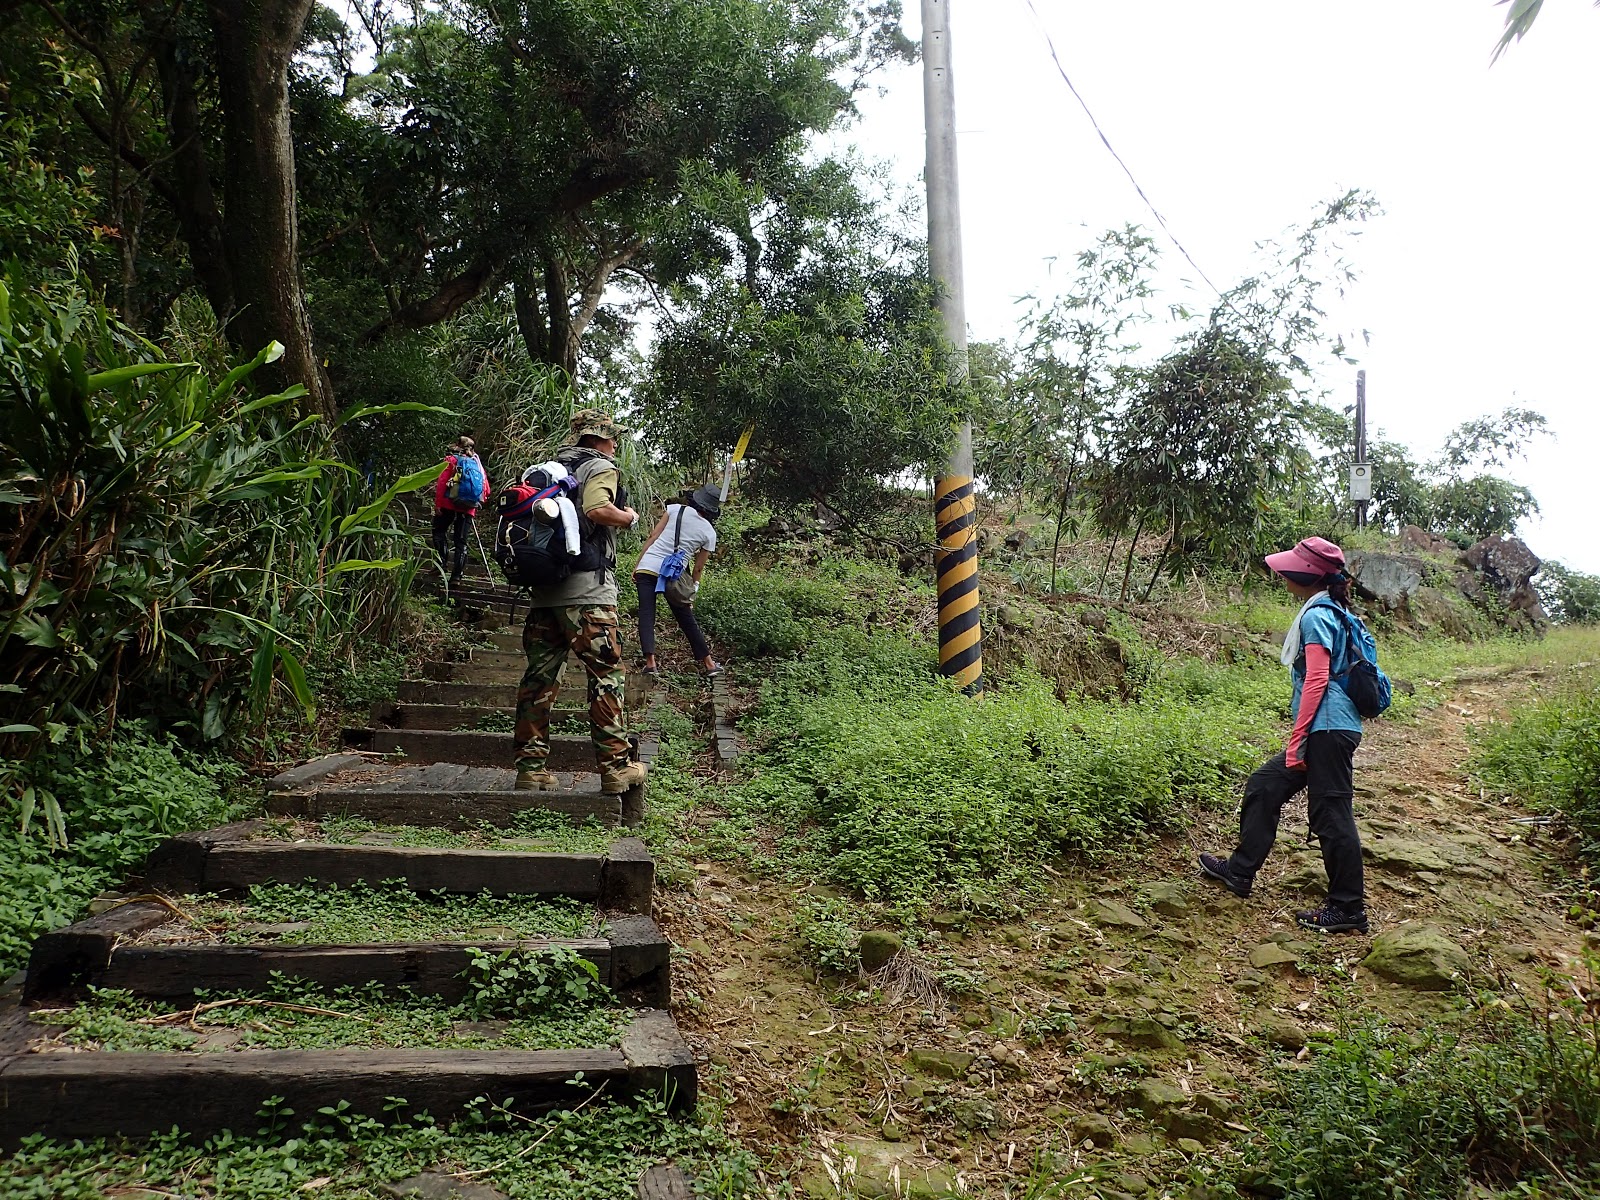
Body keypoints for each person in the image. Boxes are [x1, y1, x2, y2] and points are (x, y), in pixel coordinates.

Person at [1198, 537, 1371, 934]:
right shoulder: (1335, 611)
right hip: (1330, 727)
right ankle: (1240, 871)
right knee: (1265, 785)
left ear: (1308, 574)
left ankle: (1348, 908)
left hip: (1327, 728)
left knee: (1331, 814)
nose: (1282, 574)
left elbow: (1317, 679)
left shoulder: (1317, 616)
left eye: (1290, 568)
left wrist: (1298, 738)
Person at [513, 409, 646, 796]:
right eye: (612, 437)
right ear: (599, 439)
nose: (615, 444)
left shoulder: (550, 469)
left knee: (538, 680)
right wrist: (629, 517)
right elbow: (596, 509)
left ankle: (531, 769)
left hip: (544, 593)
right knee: (606, 675)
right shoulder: (600, 467)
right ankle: (616, 767)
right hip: (588, 595)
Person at [633, 485, 723, 678]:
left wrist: (638, 564)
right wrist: (693, 591)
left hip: (648, 566)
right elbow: (698, 568)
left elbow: (653, 536)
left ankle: (650, 664)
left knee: (646, 613)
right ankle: (709, 665)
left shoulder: (674, 509)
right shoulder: (709, 533)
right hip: (673, 576)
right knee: (685, 618)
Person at [432, 436, 490, 588]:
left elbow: (442, 483)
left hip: (448, 504)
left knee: (439, 531)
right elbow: (486, 490)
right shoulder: (478, 465)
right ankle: (457, 576)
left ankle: (441, 564)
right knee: (461, 541)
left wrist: (438, 504)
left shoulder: (451, 460)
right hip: (468, 508)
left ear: (458, 446)